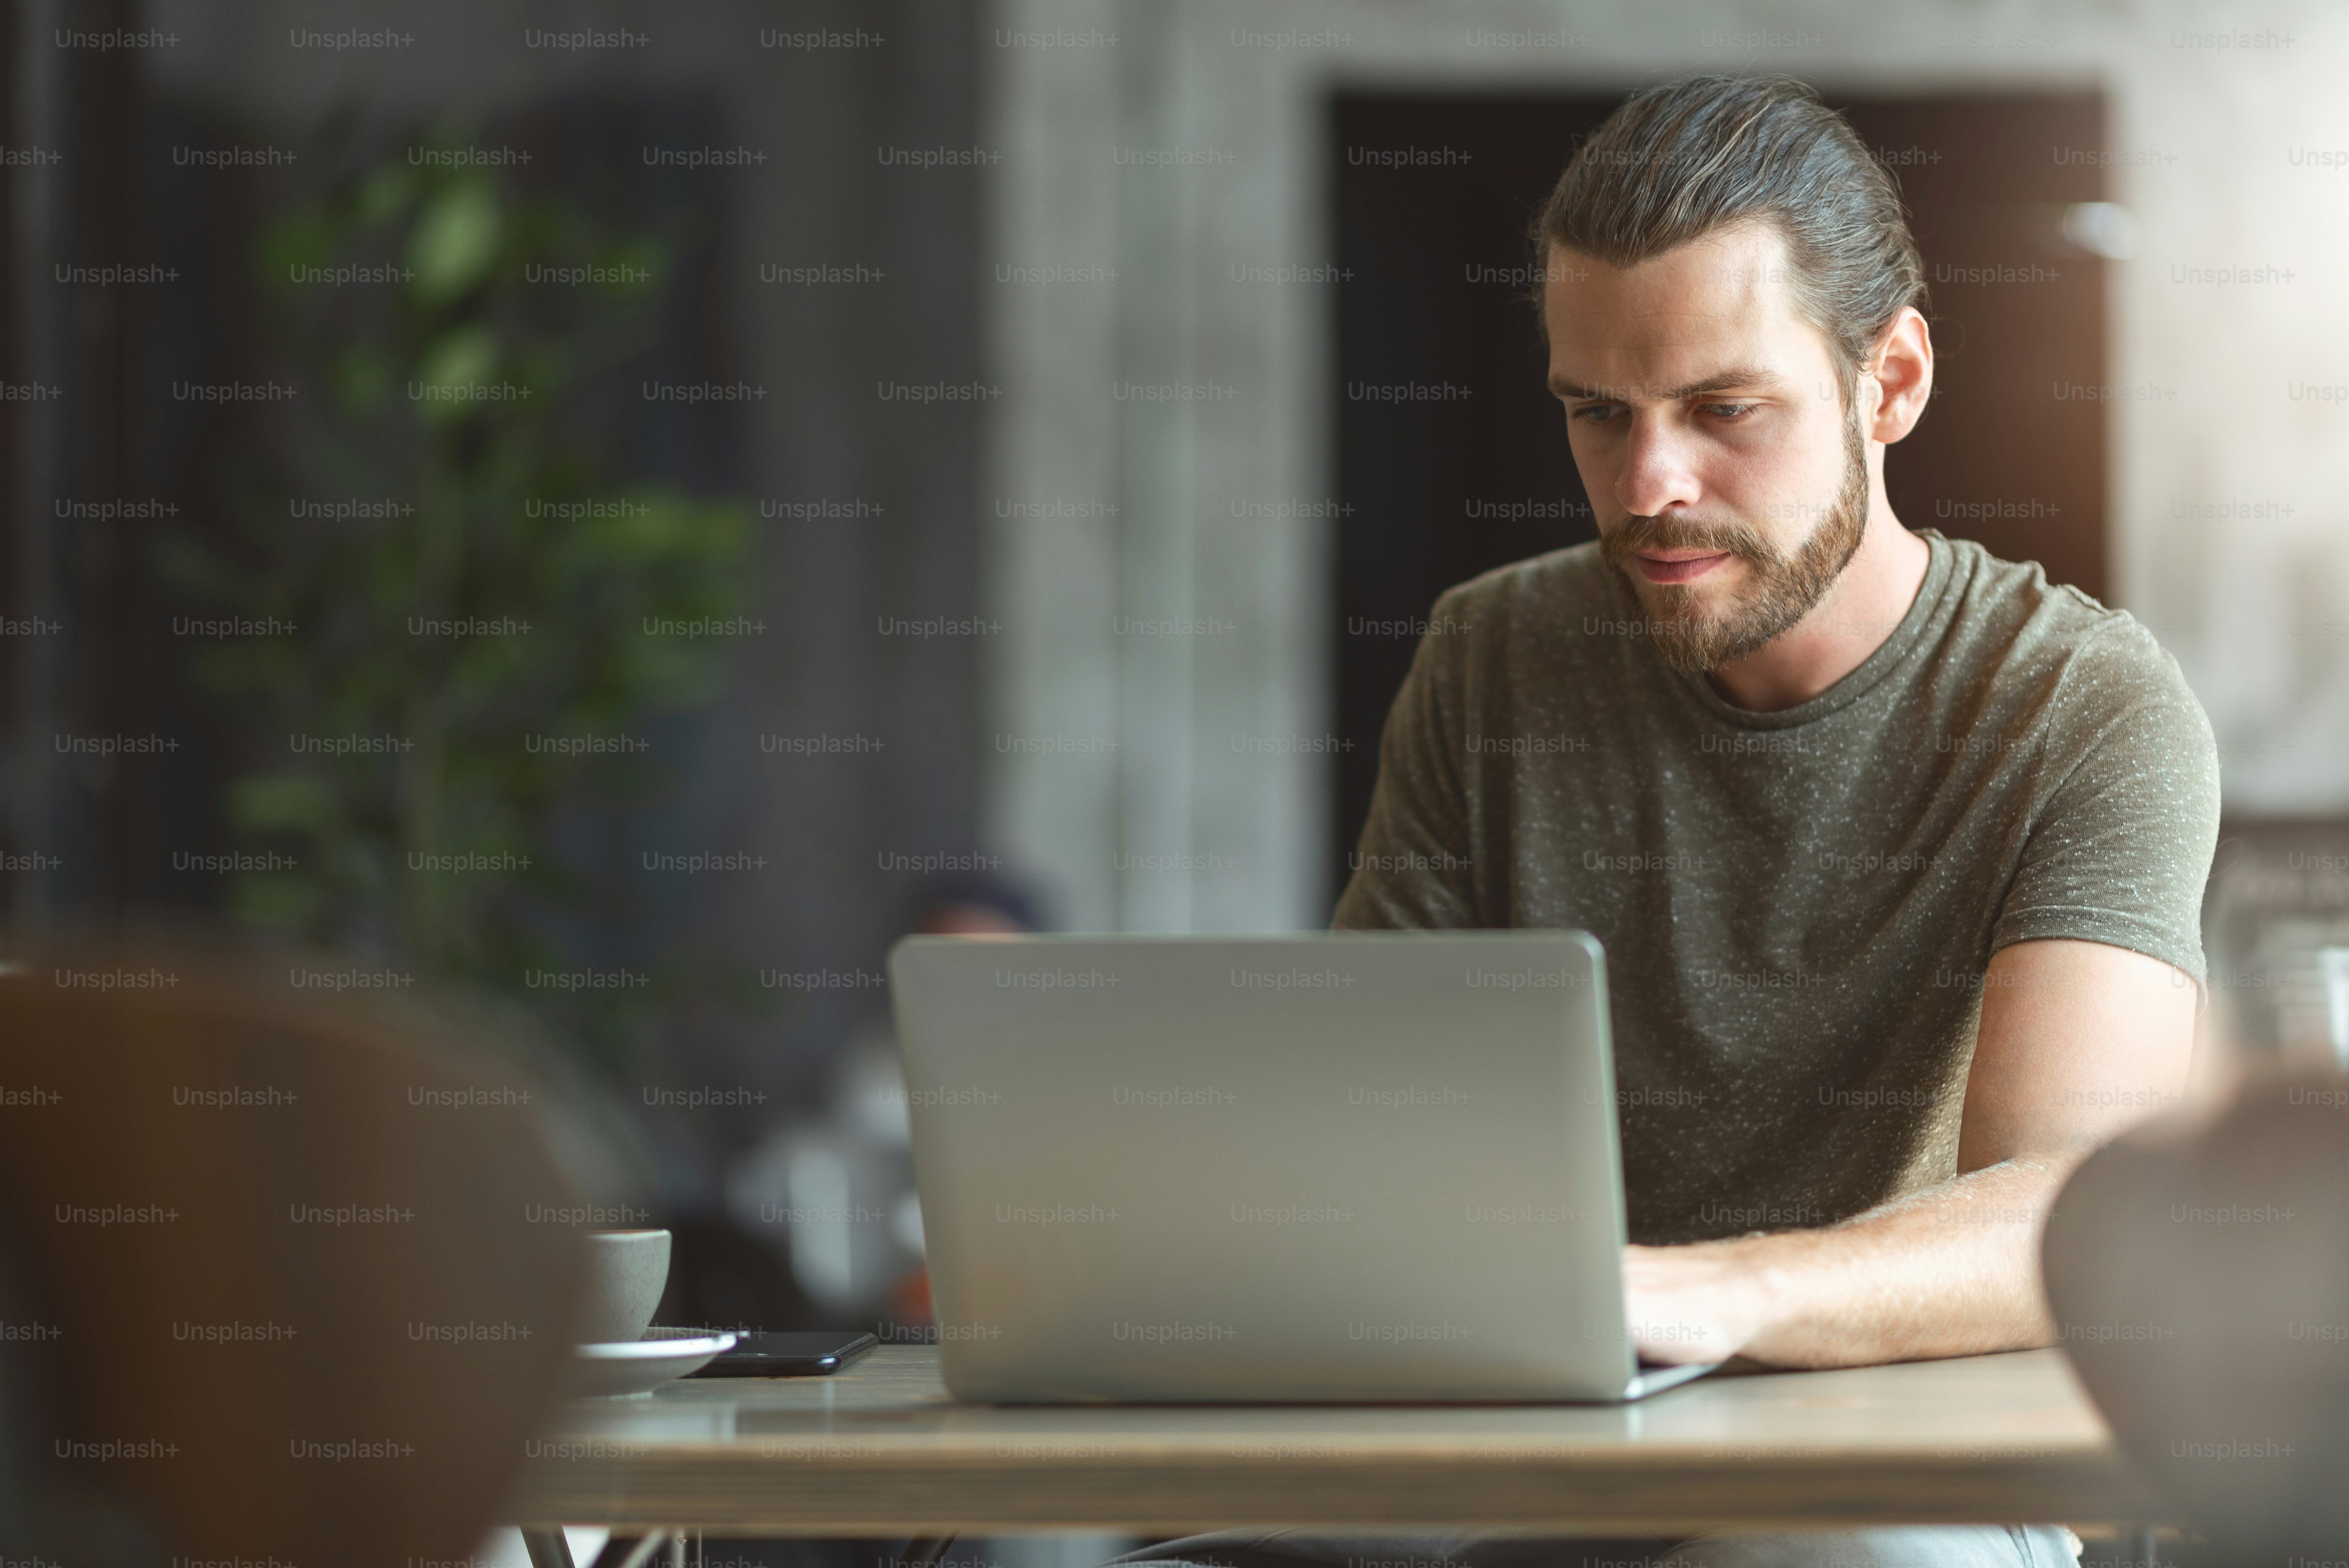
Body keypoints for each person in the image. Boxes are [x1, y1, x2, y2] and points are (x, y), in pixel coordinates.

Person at [1122, 75, 2215, 1568]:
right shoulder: (1488, 652)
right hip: (1532, 1455)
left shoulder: (2082, 705)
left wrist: (1704, 1295)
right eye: (1596, 414)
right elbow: (1372, 1135)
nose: (1649, 486)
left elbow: (2073, 1213)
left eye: (1725, 412)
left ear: (1889, 384)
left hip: (1893, 1473)